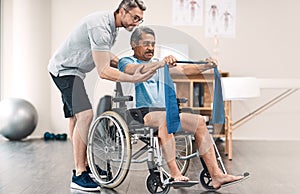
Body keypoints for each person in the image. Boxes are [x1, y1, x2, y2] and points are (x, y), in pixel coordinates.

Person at [48, 0, 158, 192]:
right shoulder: (100, 26)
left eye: (140, 20)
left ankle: (85, 166)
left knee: (76, 118)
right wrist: (133, 78)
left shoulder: (112, 26)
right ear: (123, 11)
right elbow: (104, 71)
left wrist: (132, 67)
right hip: (65, 70)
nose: (137, 23)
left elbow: (108, 56)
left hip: (75, 71)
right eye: (135, 18)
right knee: (86, 115)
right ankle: (79, 173)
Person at [118, 26, 245, 189]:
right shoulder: (126, 62)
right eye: (146, 44)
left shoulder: (158, 63)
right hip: (138, 112)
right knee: (166, 118)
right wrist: (161, 64)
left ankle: (216, 175)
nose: (150, 48)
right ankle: (175, 173)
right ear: (134, 44)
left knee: (199, 121)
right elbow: (134, 70)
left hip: (162, 111)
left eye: (153, 44)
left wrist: (205, 65)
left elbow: (184, 69)